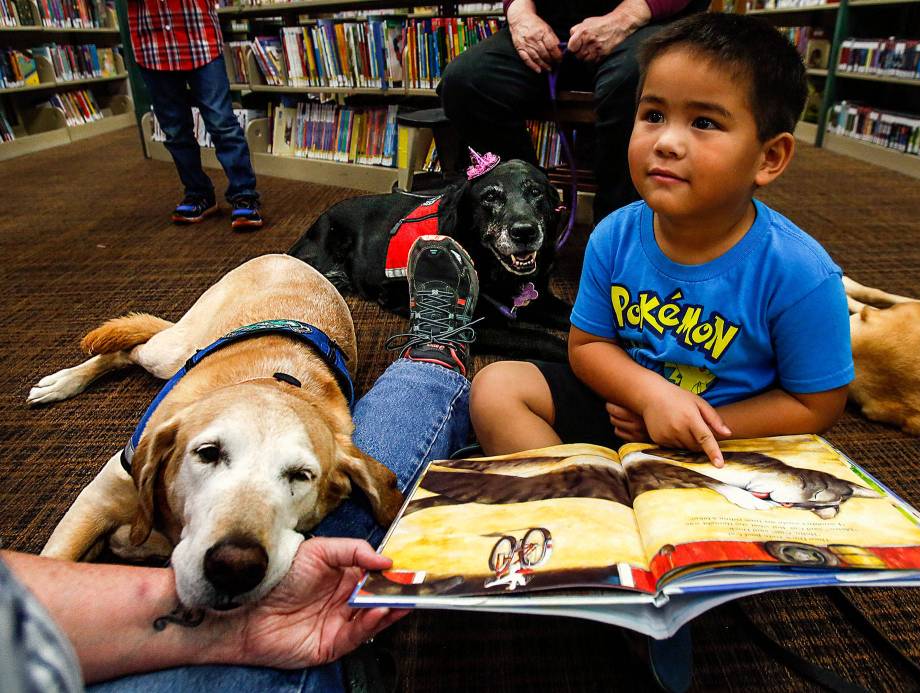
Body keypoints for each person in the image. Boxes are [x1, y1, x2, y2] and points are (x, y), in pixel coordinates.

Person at [468, 14, 854, 691]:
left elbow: (817, 402)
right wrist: (647, 395)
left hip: (724, 443)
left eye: (704, 122)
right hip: (626, 411)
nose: (666, 142)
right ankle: (589, 528)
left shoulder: (800, 271)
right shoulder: (615, 234)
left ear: (769, 158)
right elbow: (588, 345)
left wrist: (693, 425)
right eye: (652, 115)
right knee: (496, 387)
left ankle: (657, 594)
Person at [0, 236, 481, 691]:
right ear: (163, 461)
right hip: (250, 298)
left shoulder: (334, 459)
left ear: (332, 484)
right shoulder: (168, 435)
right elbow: (101, 501)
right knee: (163, 356)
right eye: (209, 454)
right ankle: (434, 359)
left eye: (298, 474)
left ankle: (432, 361)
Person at [438, 0, 709, 222]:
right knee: (466, 82)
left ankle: (618, 232)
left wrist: (625, 19)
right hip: (550, 28)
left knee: (635, 83)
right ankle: (530, 210)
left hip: (645, 23)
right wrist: (520, 15)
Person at [128, 0, 264, 230]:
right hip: (152, 43)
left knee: (222, 122)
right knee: (174, 130)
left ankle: (244, 194)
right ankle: (198, 193)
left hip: (199, 37)